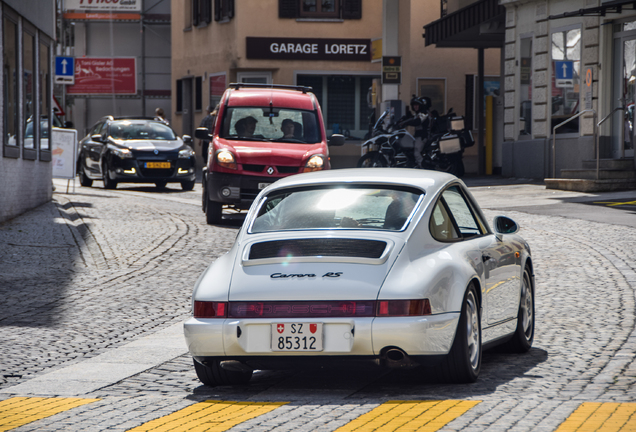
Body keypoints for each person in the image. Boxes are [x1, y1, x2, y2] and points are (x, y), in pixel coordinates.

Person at [399, 96, 430, 168]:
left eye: (417, 105)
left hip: (422, 136)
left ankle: (423, 168)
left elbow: (417, 122)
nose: (415, 106)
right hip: (417, 136)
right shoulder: (417, 114)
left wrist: (406, 123)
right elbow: (411, 118)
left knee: (416, 153)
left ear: (420, 105)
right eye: (414, 105)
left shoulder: (424, 113)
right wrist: (402, 120)